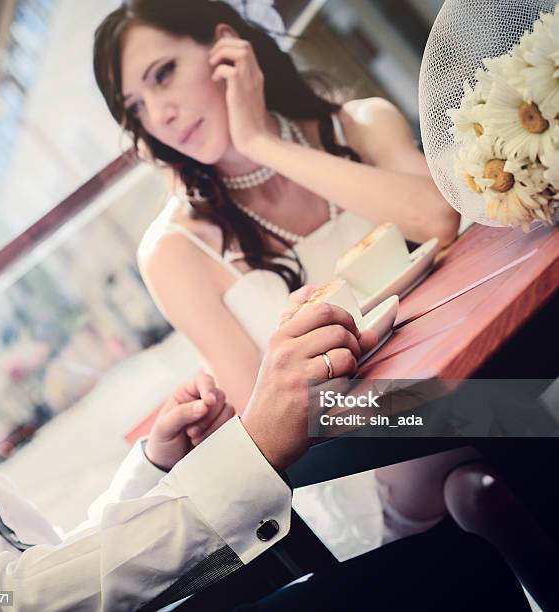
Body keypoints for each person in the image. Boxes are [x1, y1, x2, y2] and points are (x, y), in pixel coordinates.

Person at [91, 0, 468, 548]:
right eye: (137, 106)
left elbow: (439, 217)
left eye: (164, 74)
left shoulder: (359, 123)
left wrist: (261, 143)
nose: (161, 113)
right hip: (359, 457)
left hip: (459, 364)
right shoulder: (175, 251)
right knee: (487, 418)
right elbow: (282, 421)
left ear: (225, 46)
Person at [0, 301, 531, 611]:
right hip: (291, 501)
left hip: (244, 511)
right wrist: (249, 449)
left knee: (467, 516)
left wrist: (154, 467)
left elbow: (38, 567)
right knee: (455, 552)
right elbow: (7, 602)